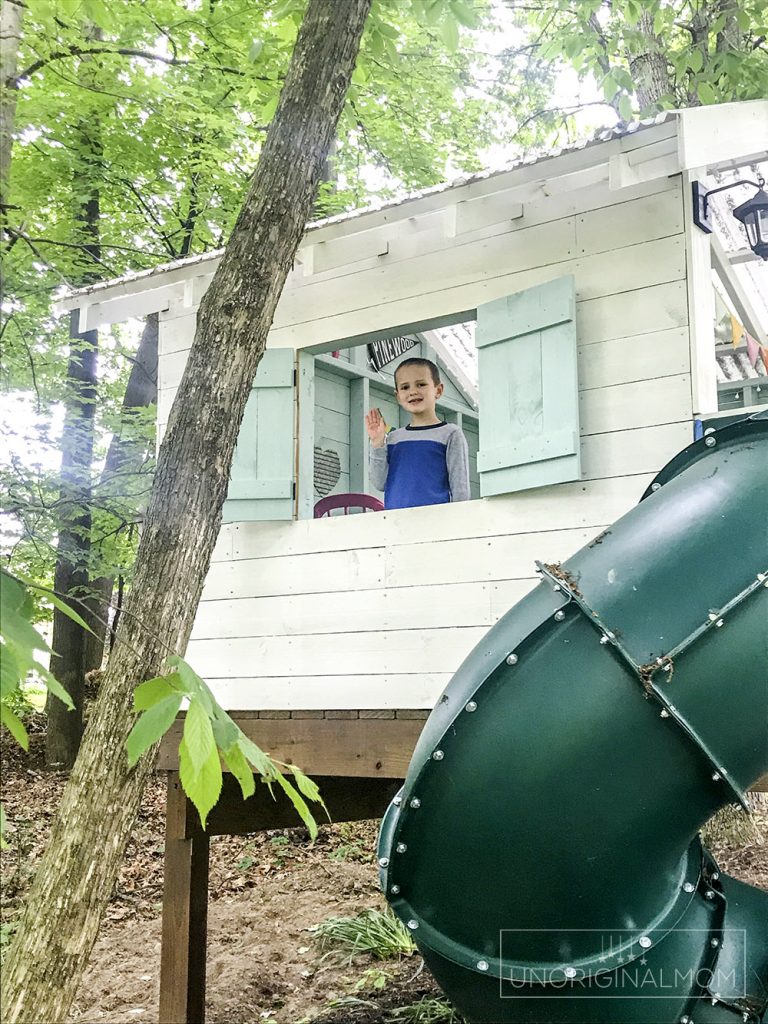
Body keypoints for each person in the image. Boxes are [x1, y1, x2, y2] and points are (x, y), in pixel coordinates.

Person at [366, 357, 470, 510]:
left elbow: (460, 488)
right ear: (398, 397)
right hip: (396, 523)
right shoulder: (394, 438)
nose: (413, 391)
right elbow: (379, 483)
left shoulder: (450, 434)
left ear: (438, 390)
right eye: (405, 387)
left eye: (421, 384)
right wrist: (377, 443)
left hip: (436, 522)